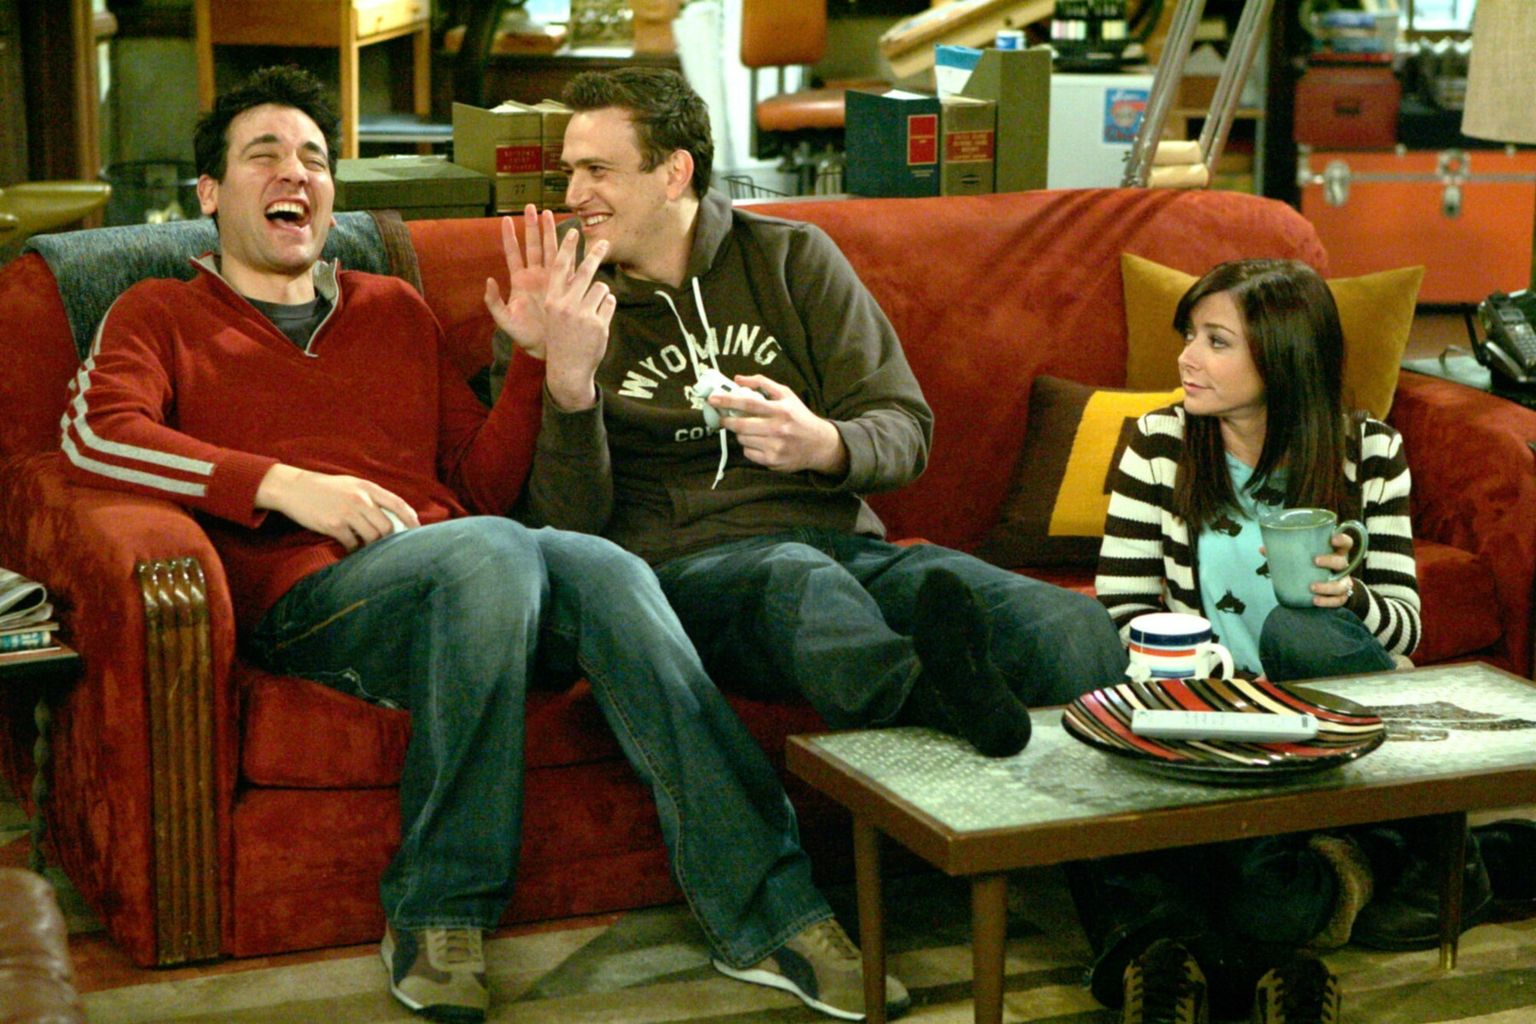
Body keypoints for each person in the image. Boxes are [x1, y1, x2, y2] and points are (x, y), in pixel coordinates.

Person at [59, 66, 908, 1024]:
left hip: (471, 576)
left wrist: (536, 359)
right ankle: (439, 910)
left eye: (314, 158)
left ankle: (772, 913)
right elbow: (96, 437)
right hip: (315, 601)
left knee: (605, 565)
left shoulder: (392, 308)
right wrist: (283, 484)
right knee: (493, 552)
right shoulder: (158, 314)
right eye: (265, 155)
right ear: (211, 193)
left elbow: (481, 486)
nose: (295, 172)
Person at [484, 66, 1128, 779]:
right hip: (682, 574)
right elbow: (560, 530)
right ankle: (940, 694)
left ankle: (1085, 836)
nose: (574, 195)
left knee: (1071, 627)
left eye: (597, 171)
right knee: (797, 582)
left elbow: (904, 426)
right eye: (571, 172)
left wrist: (823, 443)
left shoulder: (791, 257)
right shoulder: (555, 301)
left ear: (674, 173)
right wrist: (569, 386)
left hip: (842, 550)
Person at [1078, 258, 1423, 1023]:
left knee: (1298, 627)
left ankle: (1361, 853)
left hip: (1325, 725)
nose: (1187, 359)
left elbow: (1404, 628)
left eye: (1216, 341)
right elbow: (1123, 605)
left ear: (1283, 356)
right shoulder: (1160, 441)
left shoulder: (1369, 451)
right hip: (1214, 723)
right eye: (1189, 337)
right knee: (1257, 899)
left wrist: (1351, 596)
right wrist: (1193, 681)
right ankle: (1268, 946)